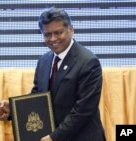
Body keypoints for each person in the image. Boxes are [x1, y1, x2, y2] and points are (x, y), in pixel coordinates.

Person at [31, 7, 106, 141]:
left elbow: (83, 111)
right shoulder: (43, 61)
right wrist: (12, 111)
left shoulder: (88, 62)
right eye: (47, 34)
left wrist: (54, 137)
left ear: (71, 29)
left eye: (58, 32)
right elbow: (38, 97)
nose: (53, 39)